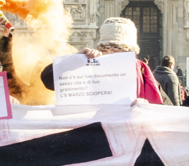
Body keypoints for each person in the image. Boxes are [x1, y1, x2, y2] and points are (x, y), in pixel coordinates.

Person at [38, 18, 168, 104]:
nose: (112, 54)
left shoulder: (143, 73)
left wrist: (147, 108)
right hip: (95, 135)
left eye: (119, 51)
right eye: (107, 50)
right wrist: (76, 59)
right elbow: (48, 80)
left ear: (131, 53)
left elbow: (169, 112)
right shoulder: (91, 66)